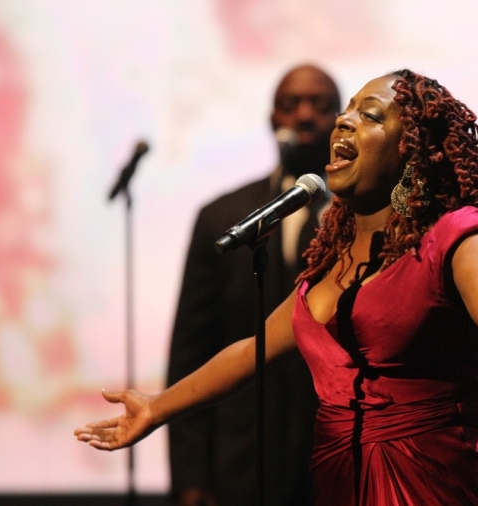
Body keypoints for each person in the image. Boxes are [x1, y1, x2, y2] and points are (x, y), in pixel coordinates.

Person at [75, 69, 478, 506]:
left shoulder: (457, 237)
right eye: (345, 114)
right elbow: (248, 351)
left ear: (412, 150)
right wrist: (156, 406)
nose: (343, 122)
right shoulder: (331, 261)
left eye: (369, 115)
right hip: (344, 482)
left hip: (442, 481)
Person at [166, 64, 340, 506]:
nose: (304, 115)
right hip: (240, 461)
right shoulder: (224, 218)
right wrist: (190, 478)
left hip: (341, 460)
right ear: (271, 120)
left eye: (319, 105)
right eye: (290, 104)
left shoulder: (366, 219)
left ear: (341, 122)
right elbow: (190, 349)